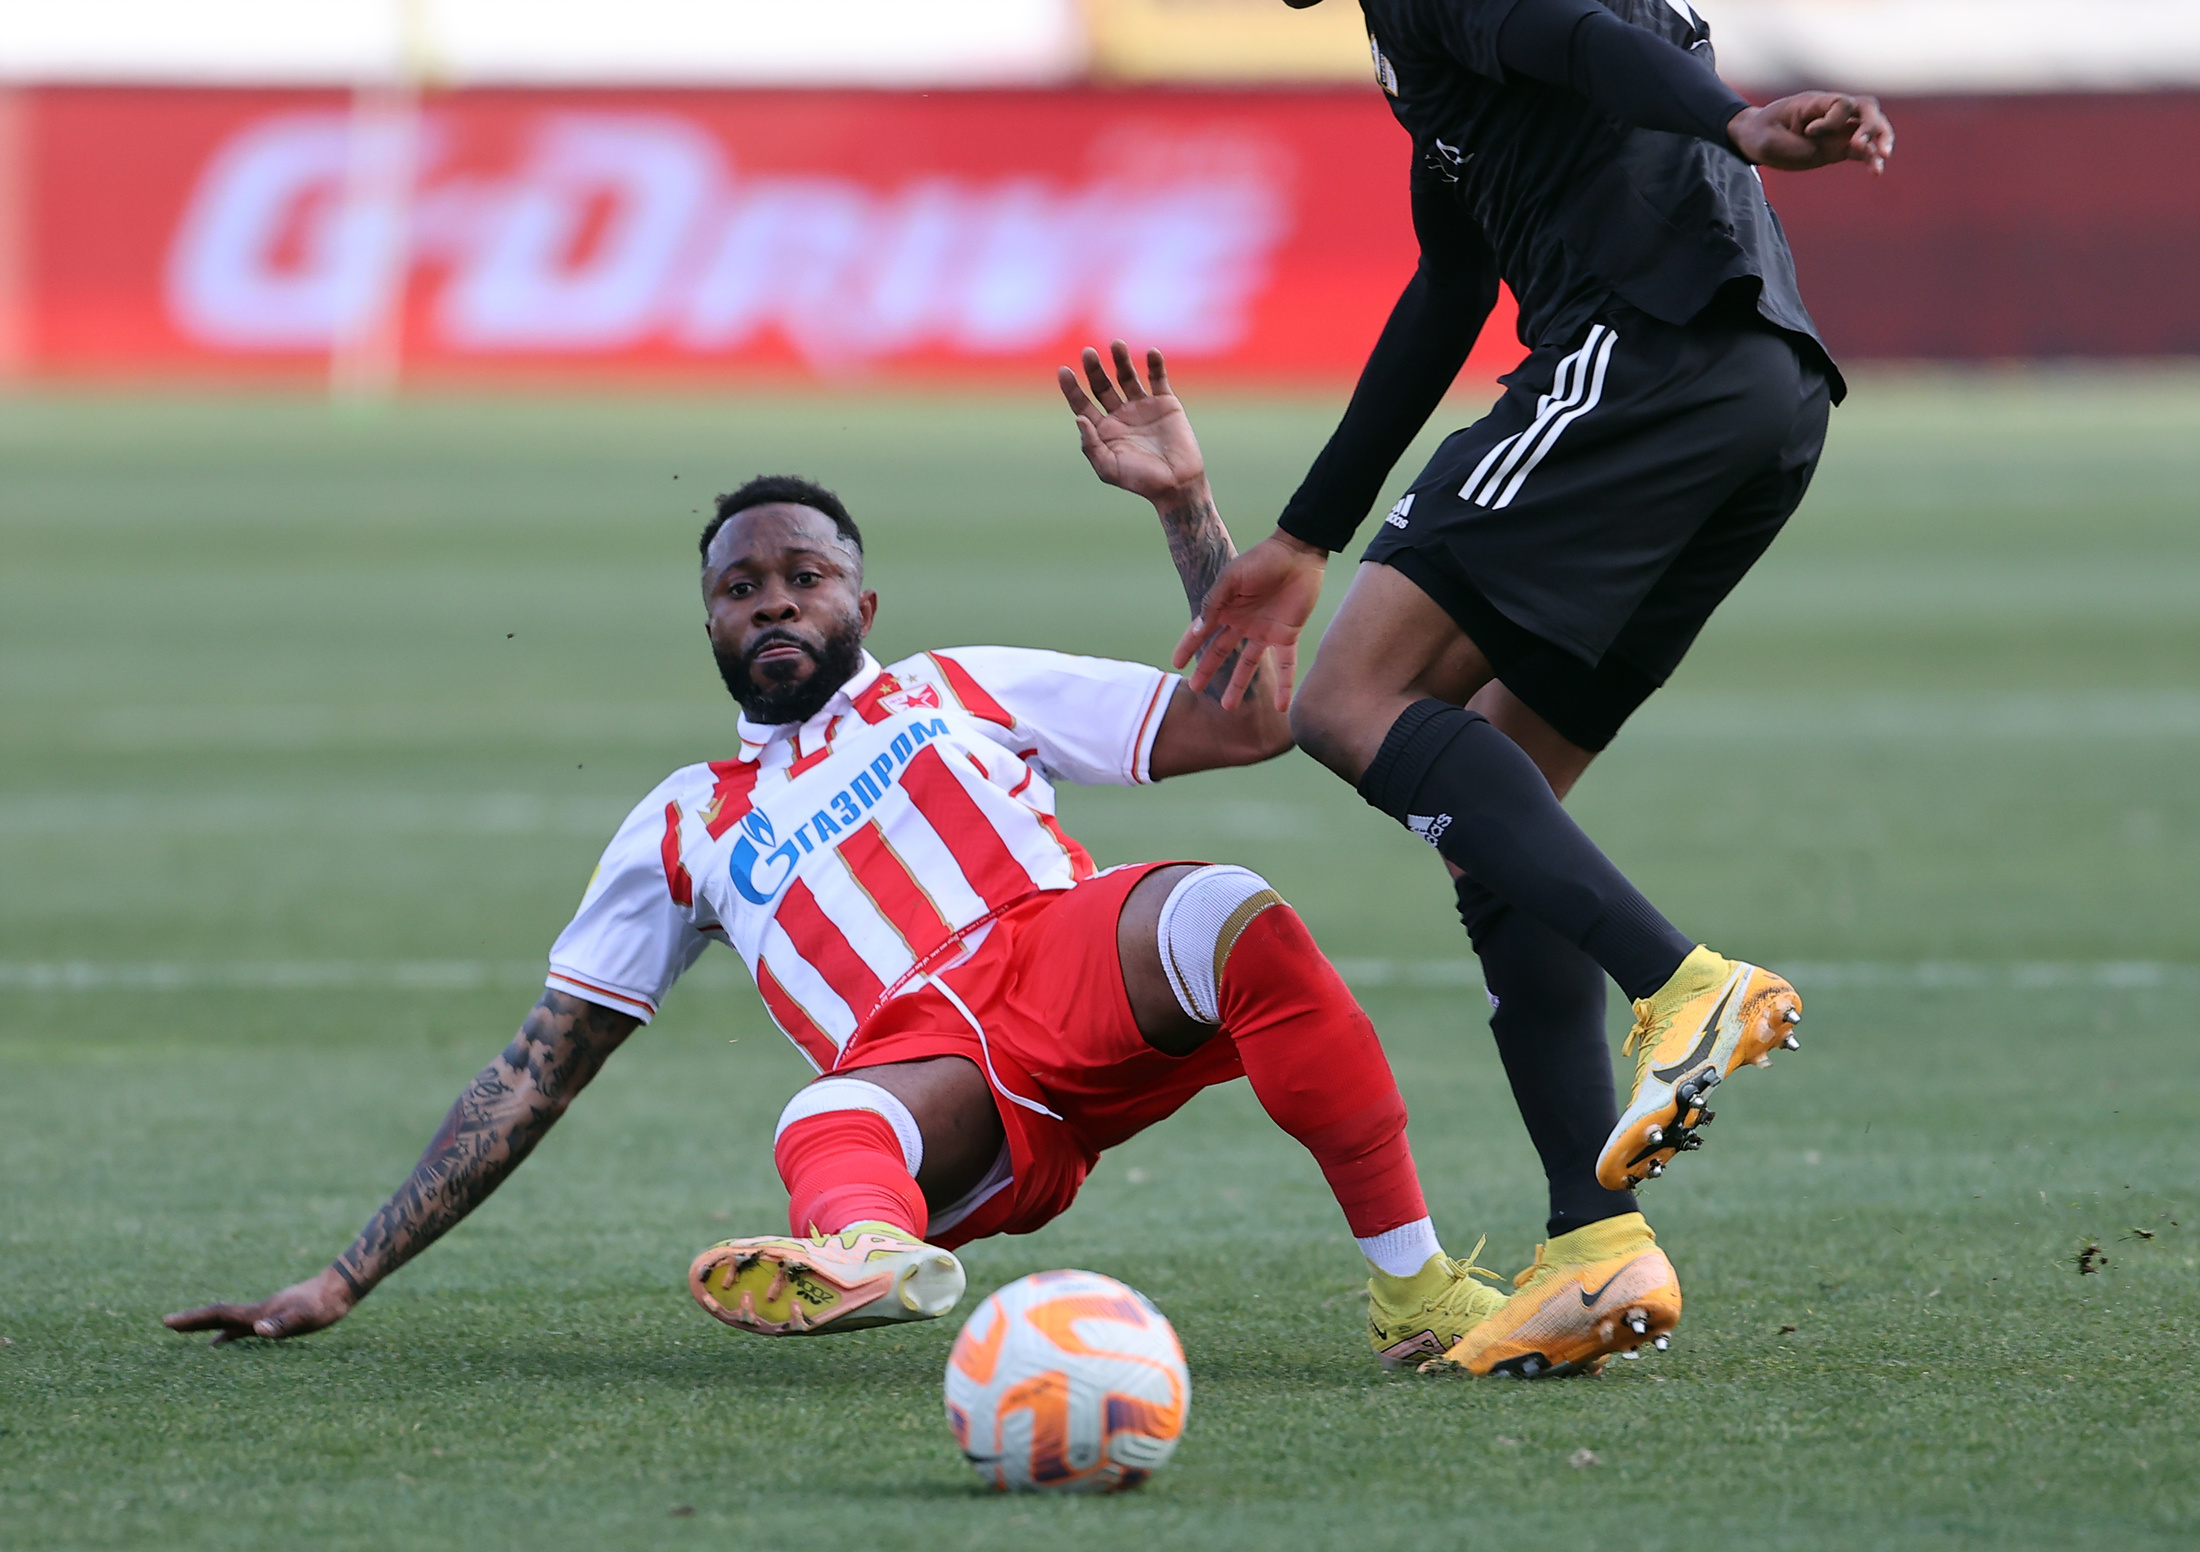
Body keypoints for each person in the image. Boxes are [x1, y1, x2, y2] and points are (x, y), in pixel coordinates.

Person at [163, 345, 1677, 1380]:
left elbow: (1250, 721)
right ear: (708, 622)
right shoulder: (679, 823)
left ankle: (1415, 1291)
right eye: (740, 587)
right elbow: (534, 1071)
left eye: (803, 575)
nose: (773, 601)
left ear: (861, 602)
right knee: (824, 1111)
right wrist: (345, 1277)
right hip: (930, 1078)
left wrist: (1184, 508)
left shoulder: (957, 688)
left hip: (1067, 961)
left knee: (1230, 911)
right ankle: (874, 1255)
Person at [1177, 0, 1886, 1343]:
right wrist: (1306, 533)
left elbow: (1570, 34)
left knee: (1349, 702)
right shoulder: (1422, 51)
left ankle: (1685, 983)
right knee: (1497, 820)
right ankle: (1595, 1244)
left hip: (1643, 357)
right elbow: (1451, 285)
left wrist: (1734, 120)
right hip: (1760, 398)